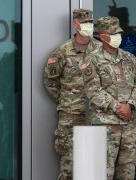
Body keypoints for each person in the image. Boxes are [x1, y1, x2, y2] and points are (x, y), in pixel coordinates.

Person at [43, 9, 102, 180]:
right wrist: (67, 101)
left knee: (95, 163)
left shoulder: (100, 50)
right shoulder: (62, 52)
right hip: (71, 114)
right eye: (85, 23)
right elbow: (50, 81)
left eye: (91, 23)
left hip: (97, 113)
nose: (89, 26)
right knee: (69, 162)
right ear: (75, 24)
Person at [81, 16, 136, 179]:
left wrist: (130, 105)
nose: (118, 37)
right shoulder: (91, 60)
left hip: (129, 124)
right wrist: (118, 107)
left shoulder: (130, 59)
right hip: (105, 124)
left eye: (118, 33)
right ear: (102, 36)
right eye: (113, 34)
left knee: (127, 170)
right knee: (102, 171)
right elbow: (92, 90)